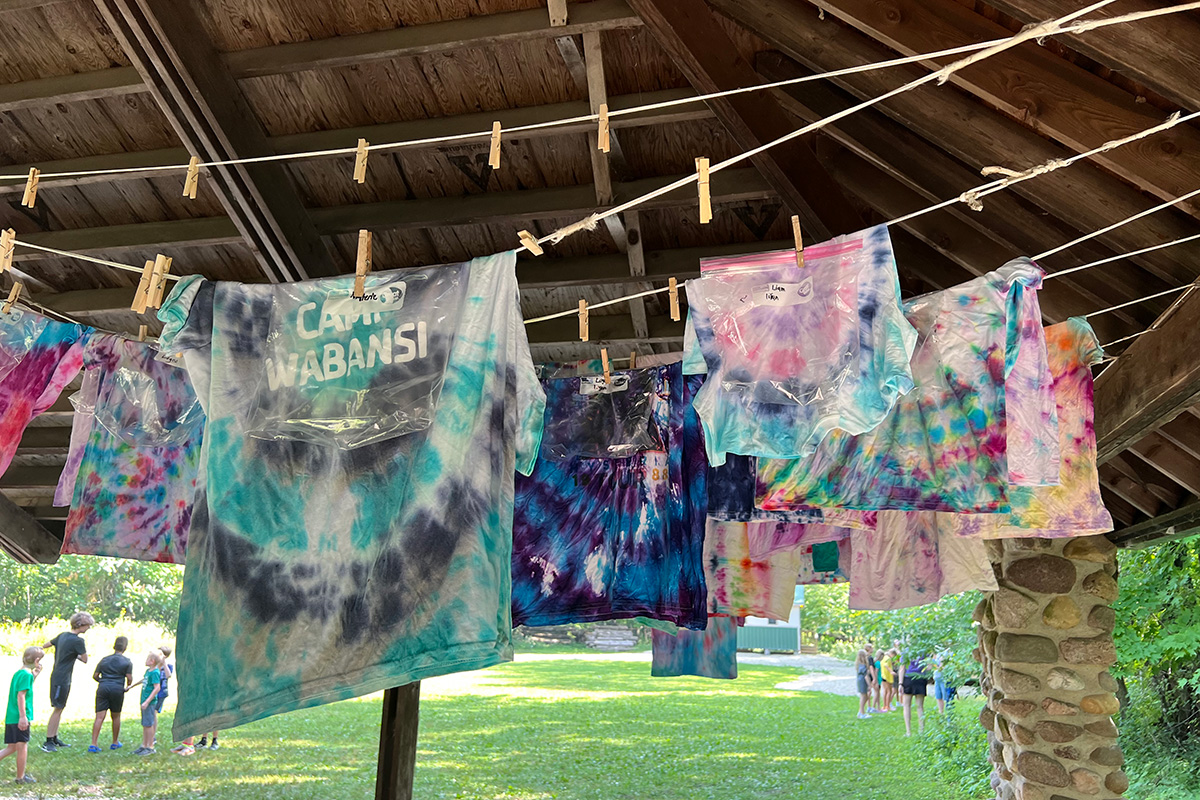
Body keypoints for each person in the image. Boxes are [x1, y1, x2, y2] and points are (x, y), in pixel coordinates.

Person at [40, 611, 93, 751]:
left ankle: (55, 737)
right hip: (62, 679)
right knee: (57, 708)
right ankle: (48, 741)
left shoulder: (62, 635)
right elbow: (85, 659)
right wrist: (75, 655)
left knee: (60, 707)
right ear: (81, 625)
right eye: (88, 625)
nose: (88, 628)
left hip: (57, 676)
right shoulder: (78, 641)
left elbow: (46, 645)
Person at [1, 646, 43, 785]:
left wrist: (35, 675)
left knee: (11, 748)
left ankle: (21, 776)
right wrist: (23, 717)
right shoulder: (26, 675)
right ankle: (20, 777)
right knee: (22, 747)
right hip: (19, 717)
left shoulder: (20, 673)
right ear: (37, 660)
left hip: (11, 716)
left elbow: (24, 687)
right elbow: (21, 695)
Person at [89, 636, 134, 753]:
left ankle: (93, 744)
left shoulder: (104, 660)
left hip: (103, 688)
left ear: (114, 646)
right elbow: (129, 678)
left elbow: (95, 675)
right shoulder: (127, 662)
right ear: (125, 648)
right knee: (116, 716)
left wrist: (102, 682)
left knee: (99, 717)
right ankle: (115, 742)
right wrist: (127, 686)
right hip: (117, 689)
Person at [126, 650, 163, 756]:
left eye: (147, 658)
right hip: (144, 700)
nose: (145, 660)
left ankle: (150, 746)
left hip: (149, 702)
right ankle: (144, 745)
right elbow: (144, 680)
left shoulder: (155, 672)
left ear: (152, 661)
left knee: (149, 724)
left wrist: (147, 701)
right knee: (145, 724)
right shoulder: (149, 671)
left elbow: (157, 688)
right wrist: (131, 686)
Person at [901, 653, 931, 736]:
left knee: (906, 705)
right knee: (920, 706)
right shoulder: (924, 651)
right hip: (920, 678)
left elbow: (902, 668)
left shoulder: (906, 652)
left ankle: (908, 731)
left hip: (908, 678)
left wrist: (900, 683)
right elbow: (929, 667)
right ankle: (921, 730)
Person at [932, 649, 956, 714]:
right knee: (938, 697)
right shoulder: (937, 651)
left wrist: (934, 663)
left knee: (947, 698)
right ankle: (941, 714)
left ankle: (949, 717)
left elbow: (941, 667)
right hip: (937, 678)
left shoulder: (948, 652)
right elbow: (933, 666)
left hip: (945, 679)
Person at [854, 649, 873, 720]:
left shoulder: (858, 664)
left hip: (860, 680)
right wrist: (869, 685)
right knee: (863, 696)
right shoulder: (863, 665)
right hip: (863, 681)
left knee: (865, 696)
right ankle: (862, 713)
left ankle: (861, 711)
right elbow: (866, 676)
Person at [879, 649, 895, 713]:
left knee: (885, 691)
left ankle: (885, 705)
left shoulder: (883, 658)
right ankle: (888, 706)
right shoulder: (888, 658)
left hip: (883, 676)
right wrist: (891, 672)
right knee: (889, 691)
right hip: (887, 677)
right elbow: (886, 665)